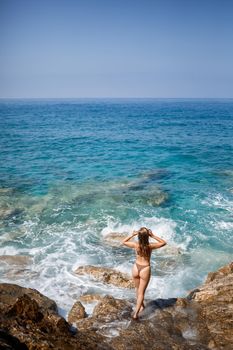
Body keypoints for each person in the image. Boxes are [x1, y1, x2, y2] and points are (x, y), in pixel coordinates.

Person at [122, 227, 167, 320]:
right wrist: (153, 236)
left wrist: (132, 235)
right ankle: (136, 314)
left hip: (136, 267)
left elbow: (124, 242)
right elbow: (163, 243)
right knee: (141, 293)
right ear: (147, 236)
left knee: (138, 290)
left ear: (139, 236)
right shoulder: (150, 246)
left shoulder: (135, 245)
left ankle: (141, 306)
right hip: (145, 269)